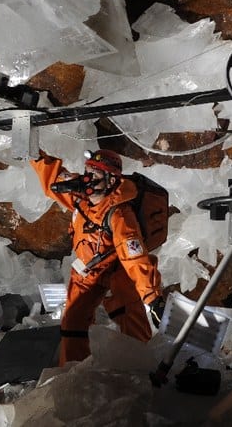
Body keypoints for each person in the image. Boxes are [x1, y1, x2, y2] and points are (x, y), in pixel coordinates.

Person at [31, 148, 166, 365]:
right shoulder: (81, 197)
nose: (87, 179)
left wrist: (153, 299)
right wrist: (34, 153)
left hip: (117, 271)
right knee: (72, 323)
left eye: (94, 175)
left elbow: (136, 259)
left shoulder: (120, 215)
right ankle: (73, 371)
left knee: (132, 324)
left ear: (111, 180)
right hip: (87, 271)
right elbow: (54, 180)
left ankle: (140, 371)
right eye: (87, 171)